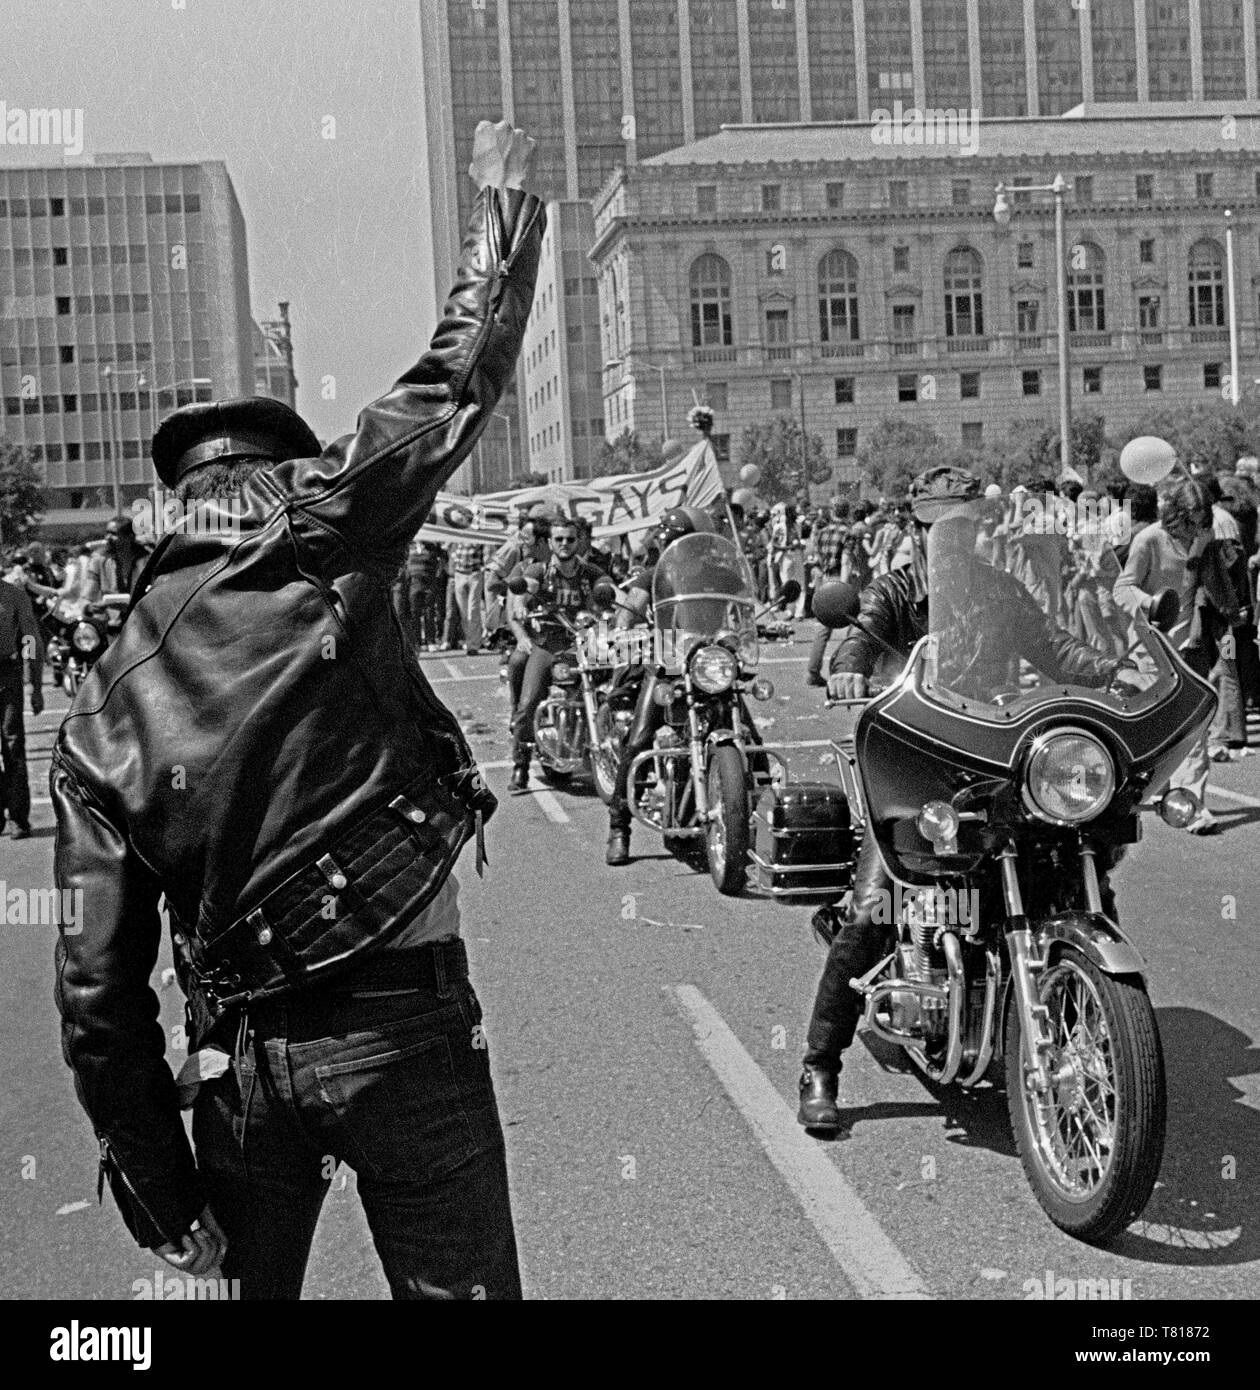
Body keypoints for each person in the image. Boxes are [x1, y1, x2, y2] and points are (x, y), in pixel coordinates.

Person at [51, 118, 544, 1300]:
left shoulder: (98, 709)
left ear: (175, 504)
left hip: (236, 1068)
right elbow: (455, 377)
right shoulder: (322, 525)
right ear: (285, 474)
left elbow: (96, 999)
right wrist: (501, 211)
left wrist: (165, 1203)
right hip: (404, 1027)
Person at [800, 466, 1130, 1132]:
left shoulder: (1000, 588)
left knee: (1070, 858)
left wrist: (1114, 668)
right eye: (940, 526)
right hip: (917, 760)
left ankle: (1092, 1015)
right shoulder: (896, 592)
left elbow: (1053, 647)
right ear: (919, 528)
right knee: (874, 910)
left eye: (966, 525)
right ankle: (820, 1064)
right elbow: (862, 636)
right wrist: (847, 668)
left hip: (995, 753)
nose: (954, 537)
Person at [1115, 478, 1235, 834]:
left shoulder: (1203, 539)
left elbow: (1212, 585)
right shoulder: (1149, 539)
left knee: (1194, 727)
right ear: (1175, 514)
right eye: (1190, 520)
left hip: (1189, 647)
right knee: (1155, 726)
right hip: (1151, 647)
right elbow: (1122, 588)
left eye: (1202, 520)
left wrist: (1224, 568)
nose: (1195, 528)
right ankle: (1159, 790)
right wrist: (1149, 604)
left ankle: (1194, 809)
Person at [604, 508, 702, 865]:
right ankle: (619, 827)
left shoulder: (710, 574)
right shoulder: (654, 574)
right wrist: (625, 628)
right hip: (667, 663)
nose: (679, 547)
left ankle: (753, 810)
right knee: (639, 738)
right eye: (674, 540)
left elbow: (736, 601)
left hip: (706, 662)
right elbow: (631, 608)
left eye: (685, 540)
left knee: (746, 731)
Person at [507, 515, 604, 791]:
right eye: (558, 539)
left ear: (579, 542)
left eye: (570, 539)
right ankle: (520, 766)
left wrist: (620, 603)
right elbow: (527, 588)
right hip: (547, 645)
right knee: (528, 703)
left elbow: (610, 590)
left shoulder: (590, 572)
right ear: (549, 543)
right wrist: (523, 604)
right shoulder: (540, 571)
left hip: (582, 646)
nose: (564, 544)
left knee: (605, 693)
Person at [0, 572, 44, 837]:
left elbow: (30, 640)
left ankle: (18, 817)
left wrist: (35, 686)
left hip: (7, 675)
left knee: (13, 743)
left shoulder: (13, 596)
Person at [805, 505, 847, 688]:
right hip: (840, 578)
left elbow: (818, 559)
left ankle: (813, 671)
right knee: (859, 625)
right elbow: (847, 562)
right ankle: (849, 669)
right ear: (847, 512)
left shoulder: (821, 533)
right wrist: (844, 589)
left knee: (823, 627)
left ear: (831, 512)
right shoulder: (847, 532)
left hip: (825, 578)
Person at [445, 535, 491, 655]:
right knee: (464, 612)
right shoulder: (456, 534)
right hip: (459, 574)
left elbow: (487, 551)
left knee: (473, 610)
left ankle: (473, 645)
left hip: (474, 573)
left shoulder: (478, 533)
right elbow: (449, 550)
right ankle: (470, 639)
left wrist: (484, 568)